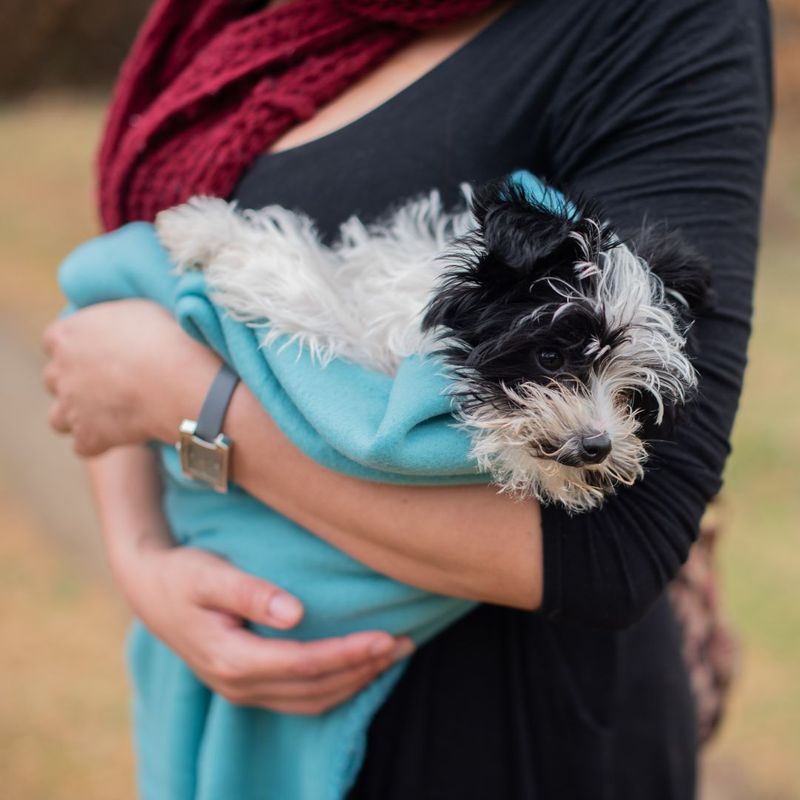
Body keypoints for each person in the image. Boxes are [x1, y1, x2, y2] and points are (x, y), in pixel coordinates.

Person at [42, 0, 772, 797]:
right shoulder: (224, 18)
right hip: (232, 676)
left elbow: (621, 544)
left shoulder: (667, 19)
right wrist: (142, 559)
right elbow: (113, 338)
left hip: (505, 729)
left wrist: (185, 400)